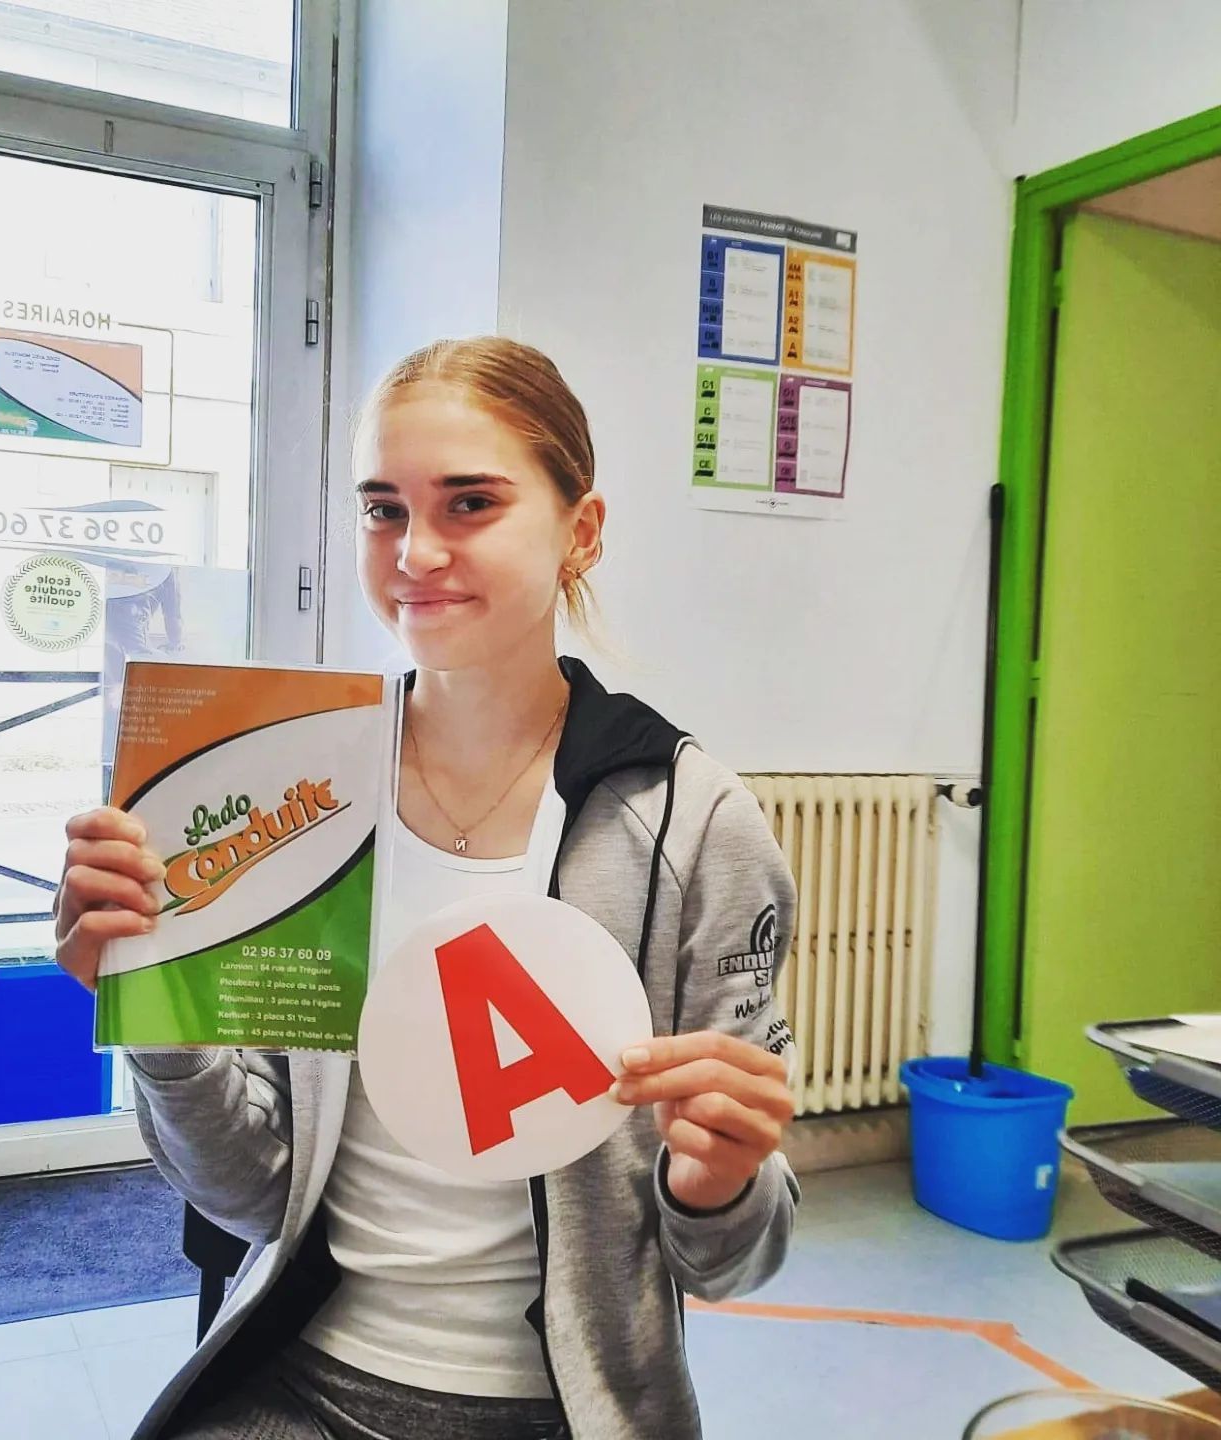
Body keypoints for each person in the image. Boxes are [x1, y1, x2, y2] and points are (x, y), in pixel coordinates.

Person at [54, 337, 800, 1440]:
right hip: (296, 1380)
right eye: (383, 510)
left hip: (562, 1412)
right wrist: (156, 1004)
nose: (416, 551)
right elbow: (249, 1195)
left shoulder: (690, 821)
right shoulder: (289, 792)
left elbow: (729, 1260)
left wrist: (719, 1178)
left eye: (471, 503)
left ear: (581, 530)